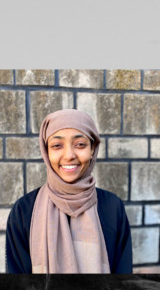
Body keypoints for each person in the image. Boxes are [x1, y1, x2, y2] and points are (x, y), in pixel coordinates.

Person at [6, 109, 132, 274]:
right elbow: (19, 288)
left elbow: (124, 282)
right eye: (57, 146)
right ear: (46, 151)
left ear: (93, 148)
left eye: (80, 144)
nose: (69, 155)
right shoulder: (23, 211)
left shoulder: (112, 208)